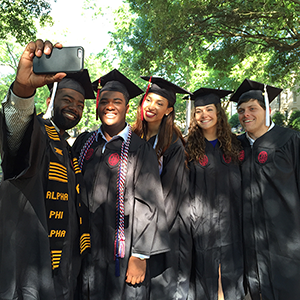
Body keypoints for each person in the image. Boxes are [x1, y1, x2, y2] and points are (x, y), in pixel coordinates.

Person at [0, 40, 94, 300]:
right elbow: (15, 136)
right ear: (50, 99)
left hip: (64, 266)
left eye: (79, 104)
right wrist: (23, 90)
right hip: (32, 263)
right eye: (67, 99)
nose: (74, 107)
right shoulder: (38, 131)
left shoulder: (66, 147)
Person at [72, 69, 170, 300]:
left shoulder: (140, 148)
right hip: (83, 247)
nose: (110, 106)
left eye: (117, 101)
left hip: (122, 251)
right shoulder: (85, 143)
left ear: (127, 108)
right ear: (96, 106)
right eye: (104, 101)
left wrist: (141, 255)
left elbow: (150, 204)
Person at [230, 79, 300, 300]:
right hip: (249, 240)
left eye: (253, 109)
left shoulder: (289, 140)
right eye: (241, 110)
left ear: (267, 110)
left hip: (286, 239)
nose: (245, 115)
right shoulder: (235, 145)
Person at [183, 88, 244, 300]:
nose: (204, 115)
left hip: (232, 221)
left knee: (231, 272)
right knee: (204, 274)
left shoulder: (236, 145)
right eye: (198, 111)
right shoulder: (187, 147)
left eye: (209, 109)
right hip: (201, 224)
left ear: (219, 113)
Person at [132, 76, 190, 299]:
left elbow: (171, 194)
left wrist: (147, 235)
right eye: (148, 100)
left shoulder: (173, 142)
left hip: (160, 227)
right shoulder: (134, 136)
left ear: (168, 110)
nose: (152, 107)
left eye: (159, 103)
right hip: (134, 222)